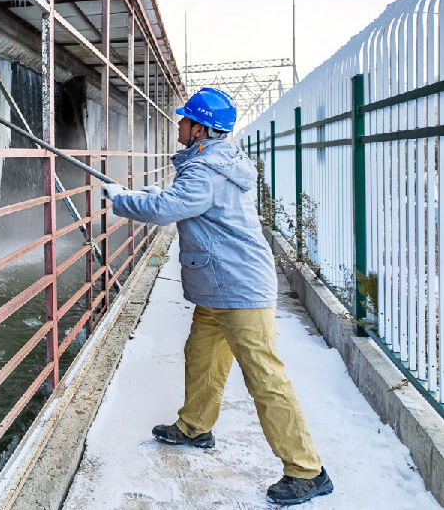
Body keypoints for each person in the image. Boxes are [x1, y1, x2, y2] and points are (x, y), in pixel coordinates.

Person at [101, 88, 333, 506]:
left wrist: (122, 199)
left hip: (238, 286)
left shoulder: (204, 168)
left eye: (184, 120)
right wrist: (151, 195)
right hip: (219, 285)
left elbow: (167, 209)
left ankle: (306, 471)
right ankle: (194, 427)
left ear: (201, 129)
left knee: (265, 378)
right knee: (202, 356)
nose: (178, 124)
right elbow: (182, 201)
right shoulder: (211, 161)